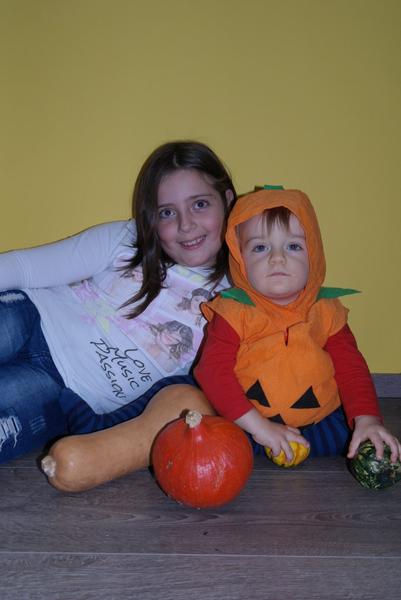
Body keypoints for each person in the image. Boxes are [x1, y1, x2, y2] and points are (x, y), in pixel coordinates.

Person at [0, 140, 236, 464]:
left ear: (227, 200)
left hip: (63, 390)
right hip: (31, 318)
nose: (185, 224)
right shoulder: (127, 239)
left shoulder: (239, 300)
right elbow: (24, 268)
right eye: (167, 212)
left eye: (200, 204)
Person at [195, 188, 401, 464]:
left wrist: (368, 419)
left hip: (316, 416)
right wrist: (260, 428)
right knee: (213, 430)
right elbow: (212, 371)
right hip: (247, 419)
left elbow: (351, 368)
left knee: (350, 436)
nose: (277, 258)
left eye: (293, 246)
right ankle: (265, 441)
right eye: (260, 247)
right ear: (240, 258)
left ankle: (292, 443)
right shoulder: (234, 311)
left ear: (313, 253)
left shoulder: (326, 310)